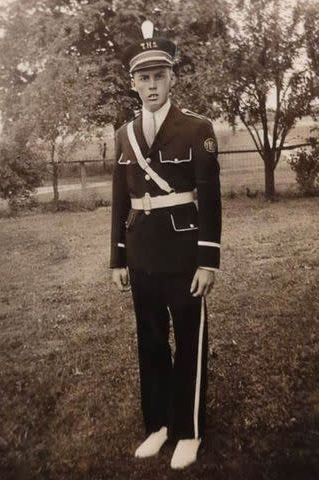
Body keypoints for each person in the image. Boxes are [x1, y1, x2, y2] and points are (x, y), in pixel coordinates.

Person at [110, 20, 221, 470]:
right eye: (144, 77)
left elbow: (209, 199)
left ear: (172, 78)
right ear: (133, 83)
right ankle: (157, 425)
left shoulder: (197, 129)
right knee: (150, 340)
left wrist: (208, 261)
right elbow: (122, 198)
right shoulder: (124, 134)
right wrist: (118, 256)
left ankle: (189, 429)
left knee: (191, 340)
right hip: (141, 255)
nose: (151, 85)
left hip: (183, 255)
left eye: (160, 75)